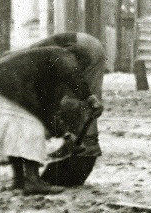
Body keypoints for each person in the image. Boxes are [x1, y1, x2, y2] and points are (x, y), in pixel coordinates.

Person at [0, 41, 101, 194]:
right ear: (79, 59)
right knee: (33, 129)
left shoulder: (45, 65)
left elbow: (48, 109)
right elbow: (69, 75)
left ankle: (19, 181)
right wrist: (89, 97)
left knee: (15, 136)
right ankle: (32, 181)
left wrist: (64, 135)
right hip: (9, 87)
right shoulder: (63, 55)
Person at [35, 32, 108, 187]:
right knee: (82, 100)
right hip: (89, 45)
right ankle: (82, 146)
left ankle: (85, 149)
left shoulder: (29, 62)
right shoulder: (30, 56)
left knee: (77, 103)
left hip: (83, 49)